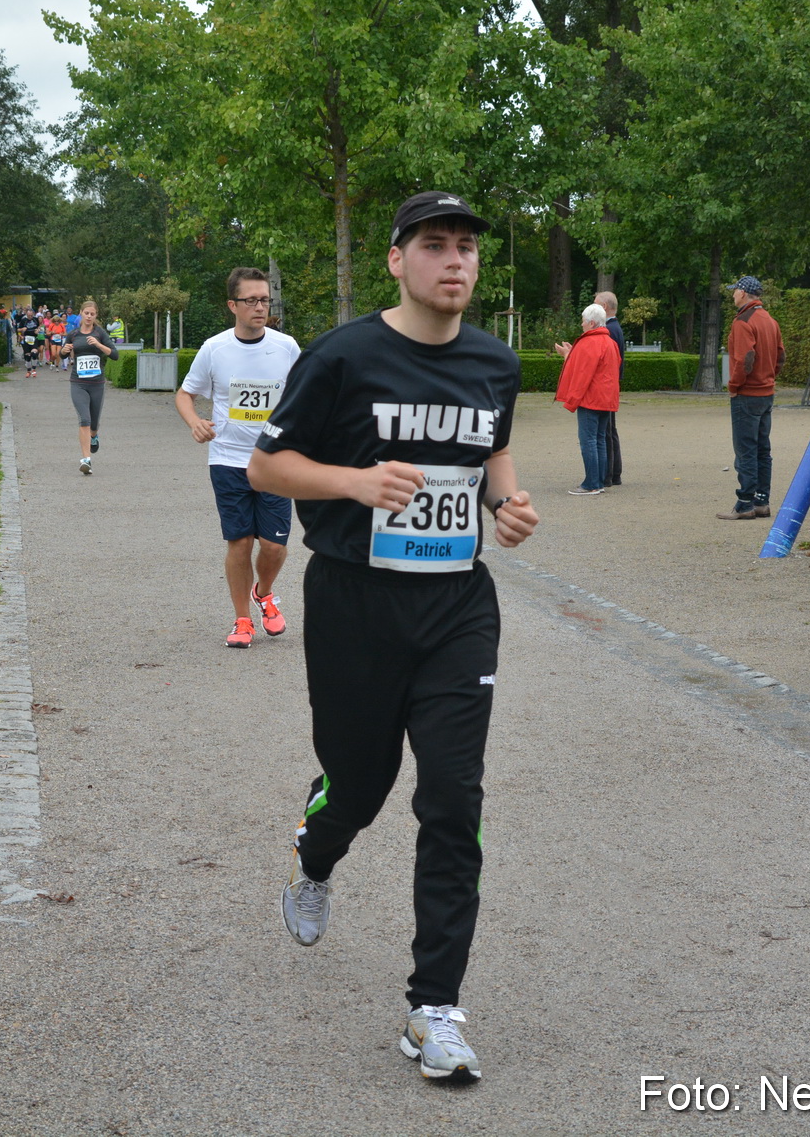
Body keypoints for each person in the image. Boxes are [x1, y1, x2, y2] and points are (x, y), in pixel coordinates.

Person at [249, 190, 541, 1084]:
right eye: (435, 245)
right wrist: (353, 481)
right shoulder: (344, 355)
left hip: (457, 608)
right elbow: (268, 462)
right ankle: (315, 848)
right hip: (353, 604)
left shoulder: (496, 364)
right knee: (360, 783)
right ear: (396, 261)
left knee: (453, 799)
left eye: (466, 248)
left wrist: (507, 504)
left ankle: (434, 1008)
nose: (455, 261)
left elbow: (491, 455)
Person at [176, 267, 303, 648]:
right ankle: (242, 620)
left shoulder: (286, 347)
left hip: (274, 460)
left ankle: (263, 593)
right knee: (240, 543)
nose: (260, 307)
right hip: (228, 458)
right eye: (251, 300)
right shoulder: (215, 349)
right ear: (233, 305)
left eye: (264, 299)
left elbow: (306, 394)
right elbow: (185, 395)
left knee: (275, 546)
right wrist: (195, 421)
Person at [718, 275, 784, 520]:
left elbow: (744, 359)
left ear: (744, 293)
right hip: (766, 393)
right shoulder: (770, 320)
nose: (733, 294)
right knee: (762, 450)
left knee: (745, 450)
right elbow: (781, 356)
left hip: (747, 395)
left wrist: (734, 385)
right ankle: (761, 501)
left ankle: (745, 502)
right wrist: (769, 376)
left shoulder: (743, 321)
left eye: (735, 290)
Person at [552, 303, 620, 495]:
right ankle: (598, 481)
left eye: (583, 321)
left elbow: (581, 374)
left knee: (588, 440)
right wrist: (572, 353)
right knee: (599, 439)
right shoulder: (610, 342)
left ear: (591, 323)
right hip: (606, 399)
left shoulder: (589, 342)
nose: (581, 324)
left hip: (590, 399)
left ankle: (591, 483)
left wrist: (572, 400)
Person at [66, 299, 118, 475]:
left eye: (92, 314)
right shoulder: (73, 334)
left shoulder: (100, 333)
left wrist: (98, 344)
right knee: (84, 419)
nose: (89, 316)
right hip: (78, 383)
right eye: (86, 313)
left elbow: (115, 355)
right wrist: (64, 350)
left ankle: (94, 436)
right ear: (81, 313)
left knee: (94, 423)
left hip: (97, 384)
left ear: (96, 316)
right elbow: (61, 353)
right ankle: (86, 460)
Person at [595, 290, 626, 485]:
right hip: (611, 385)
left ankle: (608, 474)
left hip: (606, 387)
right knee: (609, 430)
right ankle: (614, 473)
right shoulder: (615, 328)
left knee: (605, 431)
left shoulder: (610, 330)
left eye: (596, 303)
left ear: (604, 307)